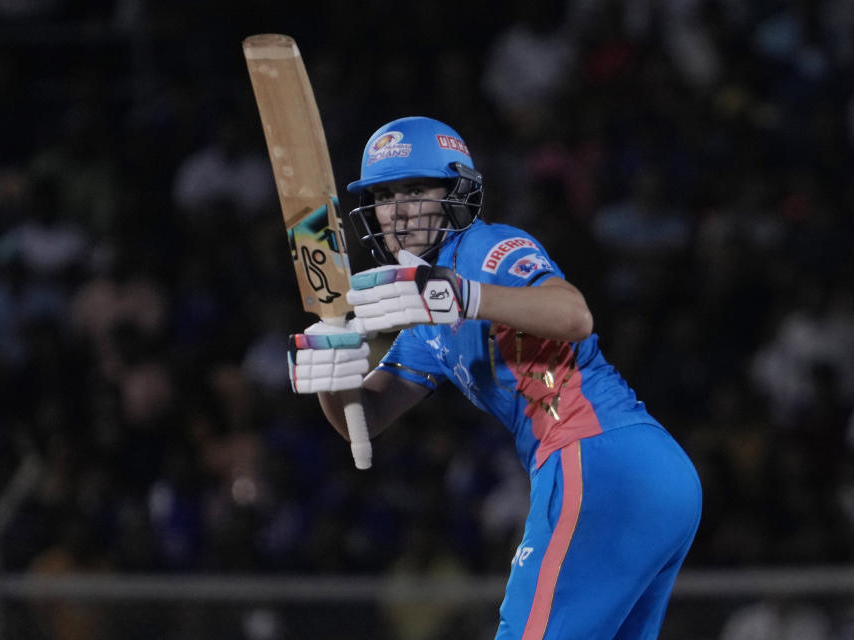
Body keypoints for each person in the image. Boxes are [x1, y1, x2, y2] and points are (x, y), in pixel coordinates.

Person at [288, 116, 702, 639]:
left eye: (416, 189)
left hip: (597, 459)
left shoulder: (484, 250)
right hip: (649, 474)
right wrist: (333, 367)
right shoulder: (424, 322)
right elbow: (361, 423)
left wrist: (462, 293)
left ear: (456, 192)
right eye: (386, 195)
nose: (397, 210)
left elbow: (574, 315)